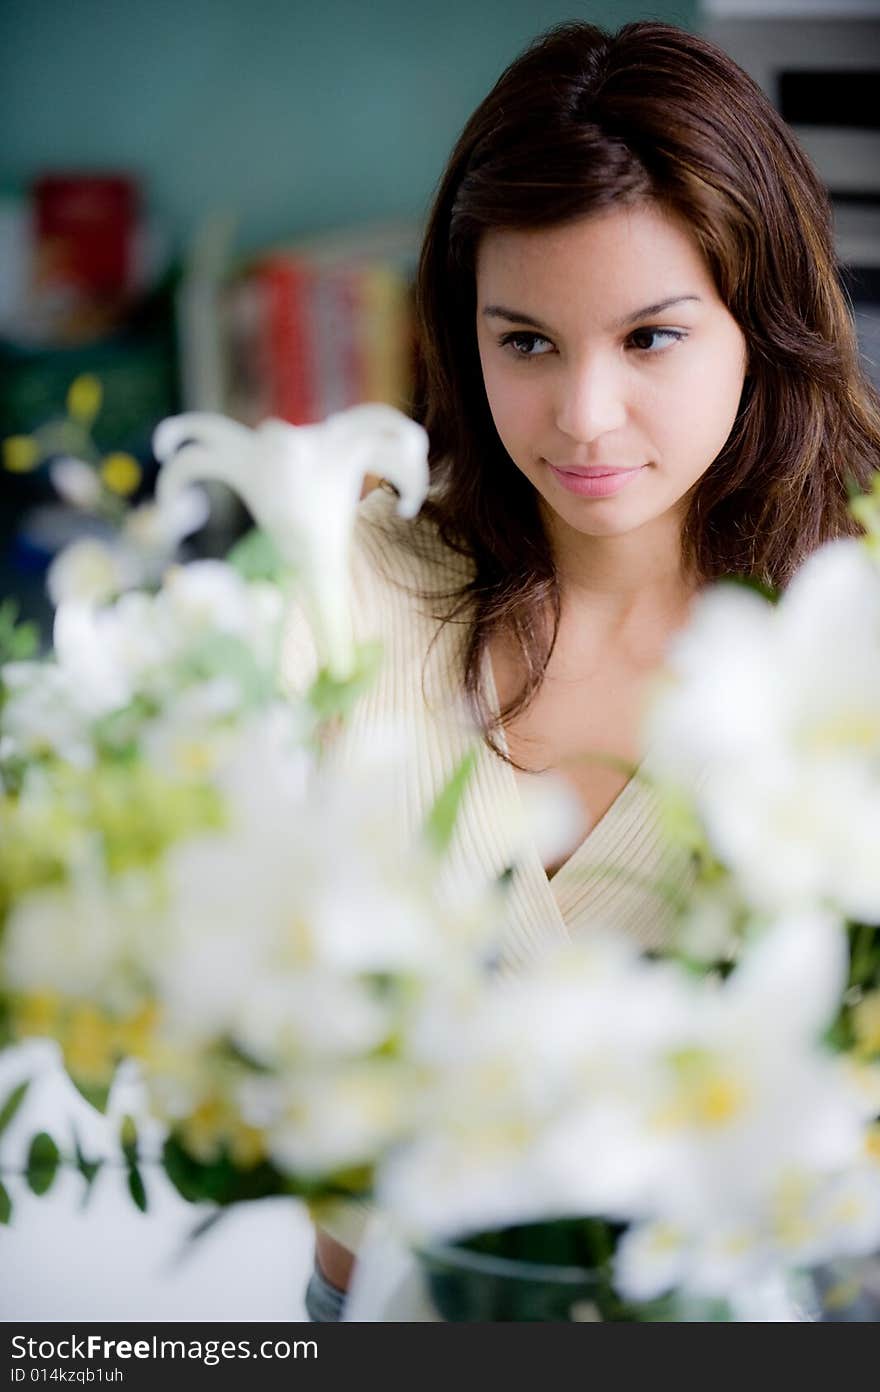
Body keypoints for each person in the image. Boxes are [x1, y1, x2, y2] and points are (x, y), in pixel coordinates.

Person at [292, 17, 880, 1320]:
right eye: (529, 342)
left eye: (652, 337)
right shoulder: (348, 590)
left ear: (758, 324)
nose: (585, 418)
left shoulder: (852, 656)